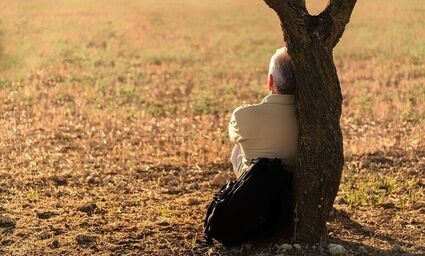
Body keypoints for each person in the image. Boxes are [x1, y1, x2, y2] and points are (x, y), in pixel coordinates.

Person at [229, 47, 298, 178]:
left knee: (237, 148)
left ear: (270, 81)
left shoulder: (242, 115)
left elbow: (232, 137)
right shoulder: (310, 118)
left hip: (254, 188)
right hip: (292, 186)